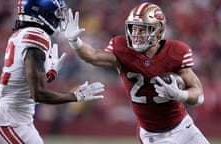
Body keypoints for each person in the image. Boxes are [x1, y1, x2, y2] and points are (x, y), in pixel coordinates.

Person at [64, 2, 210, 144]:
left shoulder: (176, 52)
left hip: (184, 127)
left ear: (158, 31)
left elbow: (199, 96)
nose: (136, 34)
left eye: (142, 29)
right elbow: (93, 56)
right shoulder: (122, 49)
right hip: (153, 136)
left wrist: (180, 95)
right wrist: (75, 41)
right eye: (133, 28)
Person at [0, 0, 105, 143]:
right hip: (10, 120)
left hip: (16, 118)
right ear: (42, 12)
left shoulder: (23, 34)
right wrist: (76, 96)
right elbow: (38, 94)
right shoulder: (35, 36)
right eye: (57, 13)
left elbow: (26, 83)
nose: (59, 18)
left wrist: (49, 74)